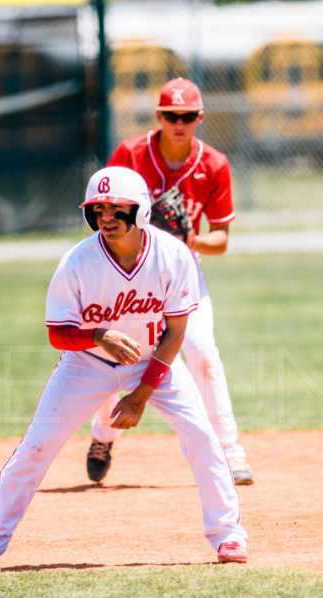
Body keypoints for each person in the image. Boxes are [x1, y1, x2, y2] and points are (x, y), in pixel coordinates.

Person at [0, 166, 248, 570]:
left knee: (201, 435)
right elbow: (58, 333)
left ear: (141, 211)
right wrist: (98, 336)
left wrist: (141, 395)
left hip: (154, 360)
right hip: (86, 364)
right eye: (97, 209)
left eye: (117, 208)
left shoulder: (172, 255)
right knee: (37, 446)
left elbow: (176, 331)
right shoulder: (77, 262)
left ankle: (229, 536)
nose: (106, 217)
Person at [85, 77, 255, 486]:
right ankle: (102, 435)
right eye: (172, 116)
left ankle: (231, 452)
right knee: (118, 357)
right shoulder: (131, 153)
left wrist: (188, 237)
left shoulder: (213, 164)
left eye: (188, 116)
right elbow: (104, 210)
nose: (180, 123)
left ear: (200, 118)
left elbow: (221, 241)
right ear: (159, 116)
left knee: (203, 355)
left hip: (181, 270)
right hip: (129, 268)